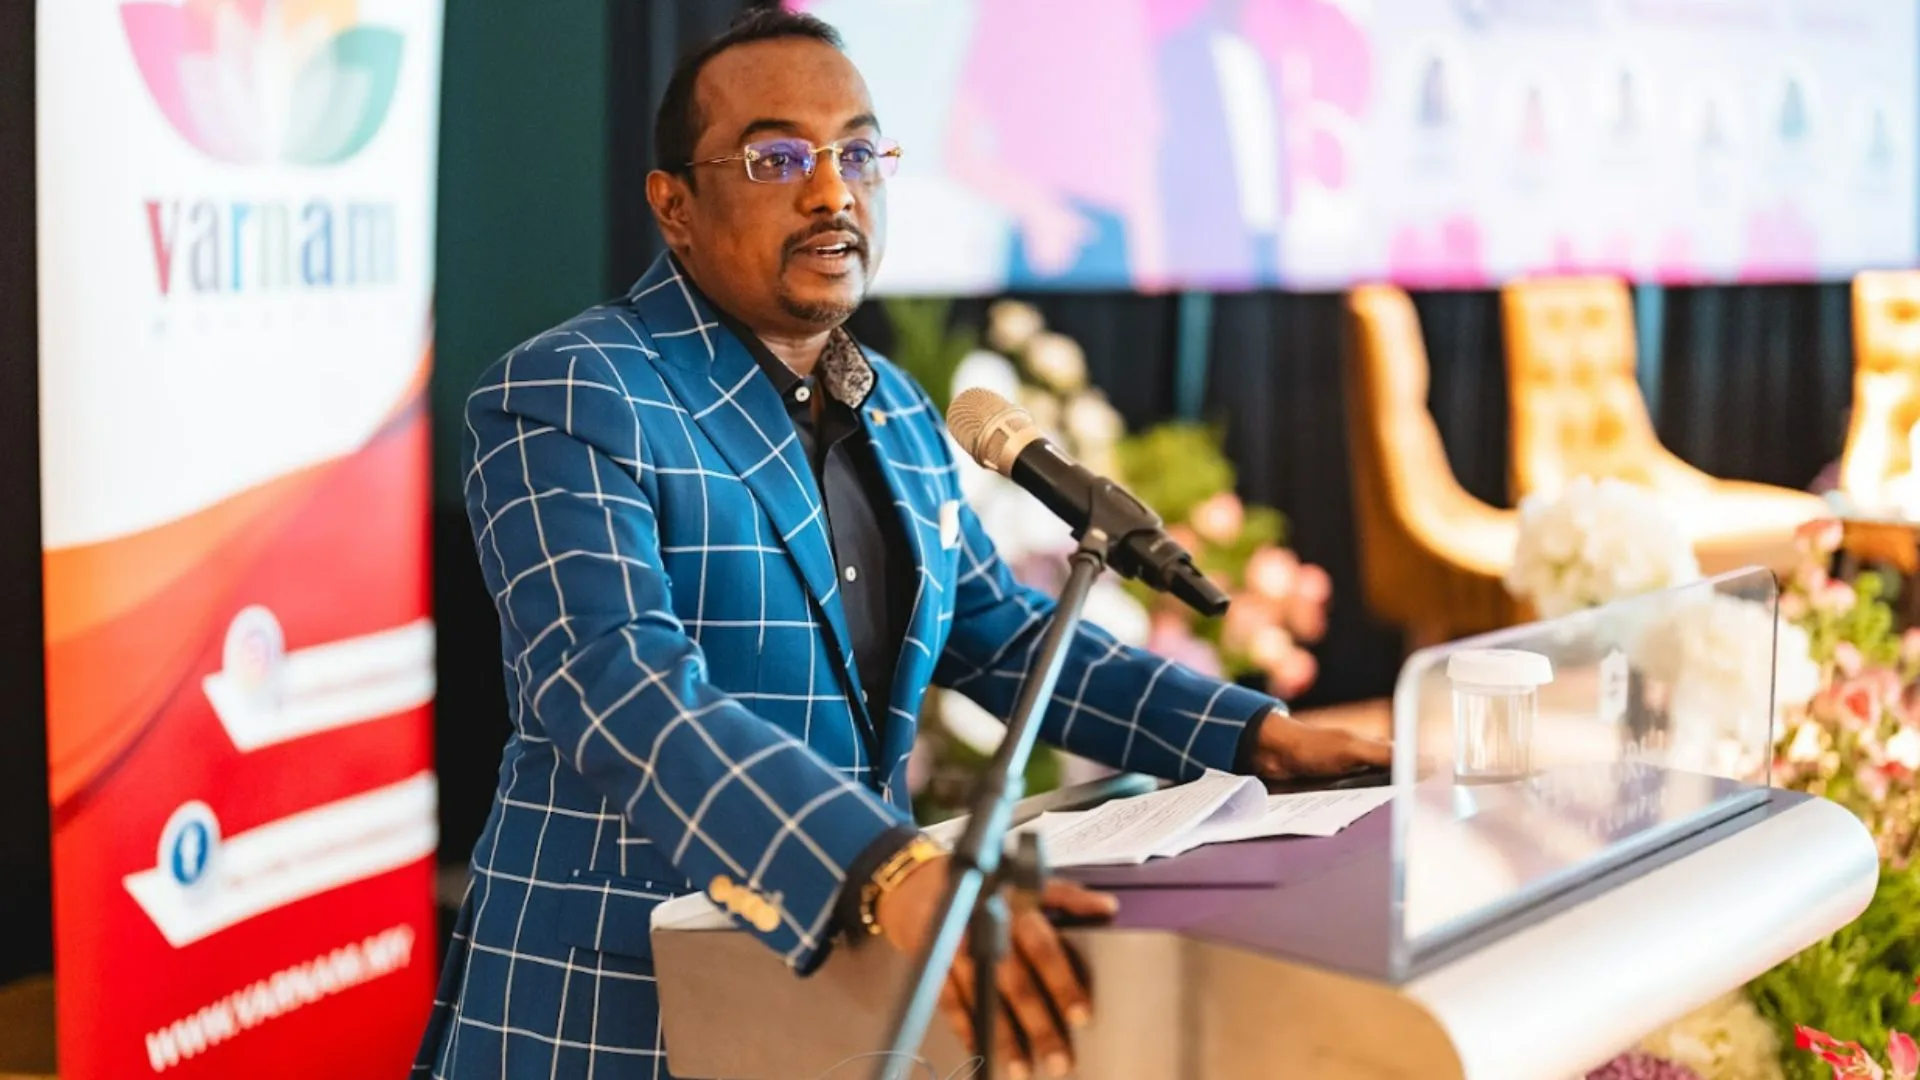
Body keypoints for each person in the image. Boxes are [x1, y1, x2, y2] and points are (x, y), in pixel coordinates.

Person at [413, 10, 1388, 1080]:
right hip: (620, 1002)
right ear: (674, 206)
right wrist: (880, 867)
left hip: (844, 991)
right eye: (778, 158)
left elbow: (1002, 636)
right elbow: (618, 687)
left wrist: (1256, 736)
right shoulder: (573, 389)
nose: (833, 193)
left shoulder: (899, 412)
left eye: (860, 153)